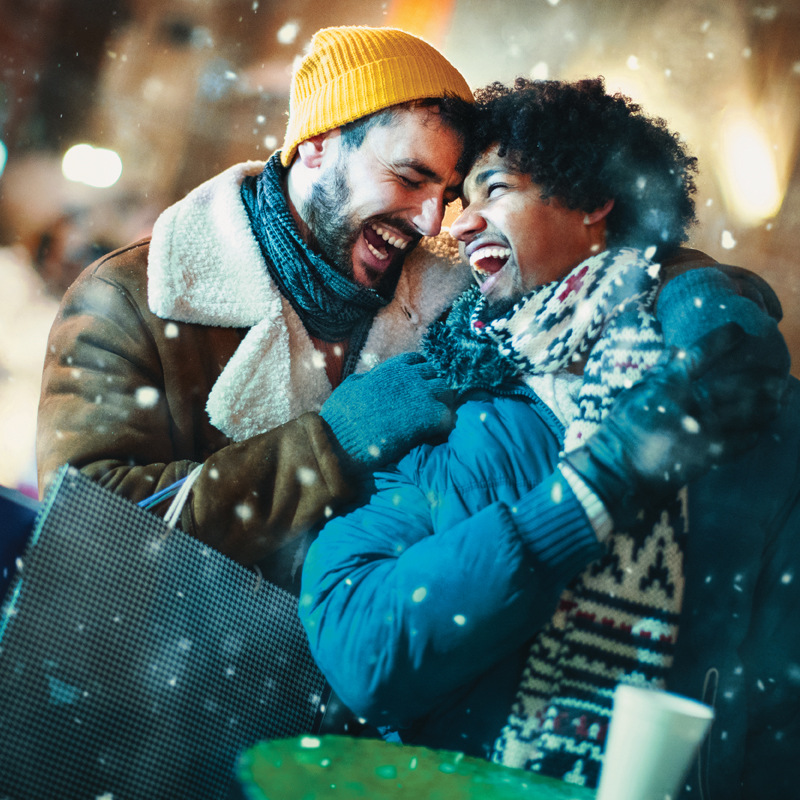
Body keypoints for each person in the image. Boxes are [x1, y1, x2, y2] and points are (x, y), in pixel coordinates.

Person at [299, 78, 797, 798]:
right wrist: (583, 498)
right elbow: (361, 644)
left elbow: (783, 707)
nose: (462, 224)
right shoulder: (452, 410)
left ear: (596, 200)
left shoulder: (751, 405)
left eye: (494, 189)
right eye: (462, 201)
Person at [36, 26, 476, 591]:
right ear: (317, 143)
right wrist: (329, 447)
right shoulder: (133, 295)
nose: (431, 220)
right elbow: (87, 528)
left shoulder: (449, 312)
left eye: (448, 193)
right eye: (411, 178)